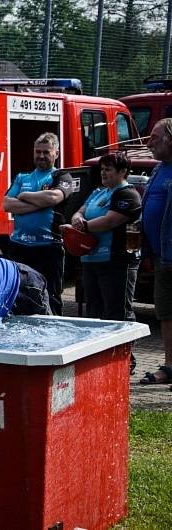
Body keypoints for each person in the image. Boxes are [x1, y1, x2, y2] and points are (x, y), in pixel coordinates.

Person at [65, 152, 142, 322]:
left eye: (108, 169)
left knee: (118, 314)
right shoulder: (98, 192)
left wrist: (82, 226)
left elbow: (110, 221)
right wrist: (77, 219)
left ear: (123, 171)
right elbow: (79, 211)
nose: (103, 173)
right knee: (94, 314)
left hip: (115, 262)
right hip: (91, 261)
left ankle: (126, 349)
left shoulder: (128, 194)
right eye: (102, 169)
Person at [3, 132, 73, 315]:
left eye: (46, 152)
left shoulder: (62, 176)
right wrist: (40, 204)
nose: (41, 156)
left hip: (48, 248)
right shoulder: (22, 177)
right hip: (19, 246)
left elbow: (53, 196)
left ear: (56, 153)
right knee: (18, 294)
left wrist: (24, 197)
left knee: (51, 295)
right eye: (38, 152)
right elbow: (7, 204)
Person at [139, 118, 172, 386]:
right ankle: (170, 367)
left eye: (154, 137)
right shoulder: (159, 169)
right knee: (165, 311)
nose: (148, 143)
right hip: (161, 256)